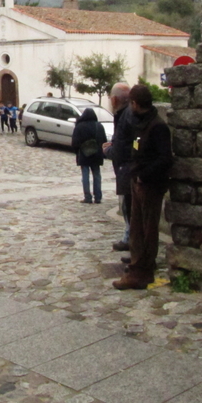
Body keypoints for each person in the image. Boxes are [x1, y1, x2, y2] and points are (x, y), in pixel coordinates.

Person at [113, 84, 173, 291]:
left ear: (136, 104)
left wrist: (143, 175)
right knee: (137, 229)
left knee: (147, 230)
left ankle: (143, 271)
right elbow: (136, 148)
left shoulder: (157, 127)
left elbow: (165, 159)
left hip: (150, 185)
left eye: (132, 103)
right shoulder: (140, 124)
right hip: (138, 181)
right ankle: (137, 267)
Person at [103, 83, 134, 252]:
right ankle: (129, 239)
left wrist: (109, 150)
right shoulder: (127, 114)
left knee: (129, 208)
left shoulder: (125, 117)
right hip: (128, 168)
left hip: (127, 169)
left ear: (114, 100)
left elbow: (126, 147)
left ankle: (131, 241)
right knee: (128, 207)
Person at [71, 108, 107, 204]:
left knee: (85, 175)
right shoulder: (99, 126)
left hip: (84, 153)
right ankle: (98, 197)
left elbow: (74, 142)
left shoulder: (79, 126)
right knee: (97, 175)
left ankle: (87, 197)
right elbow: (104, 140)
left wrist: (77, 152)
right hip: (97, 154)